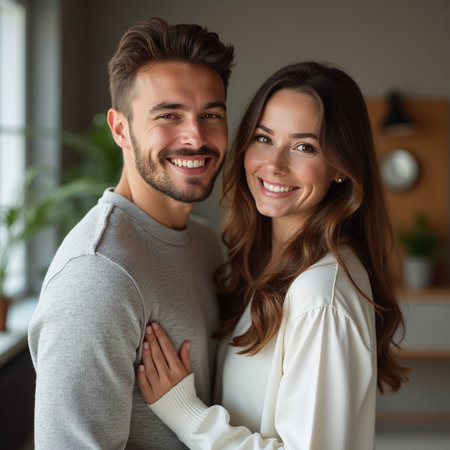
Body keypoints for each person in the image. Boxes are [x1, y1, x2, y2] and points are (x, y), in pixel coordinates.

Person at [136, 61, 410, 449]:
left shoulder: (321, 295)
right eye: (264, 138)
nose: (275, 165)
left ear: (340, 168)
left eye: (303, 146)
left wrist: (186, 414)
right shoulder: (268, 265)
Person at [28, 17, 234, 449]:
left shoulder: (204, 243)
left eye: (210, 114)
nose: (195, 136)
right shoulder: (97, 275)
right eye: (169, 115)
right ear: (120, 128)